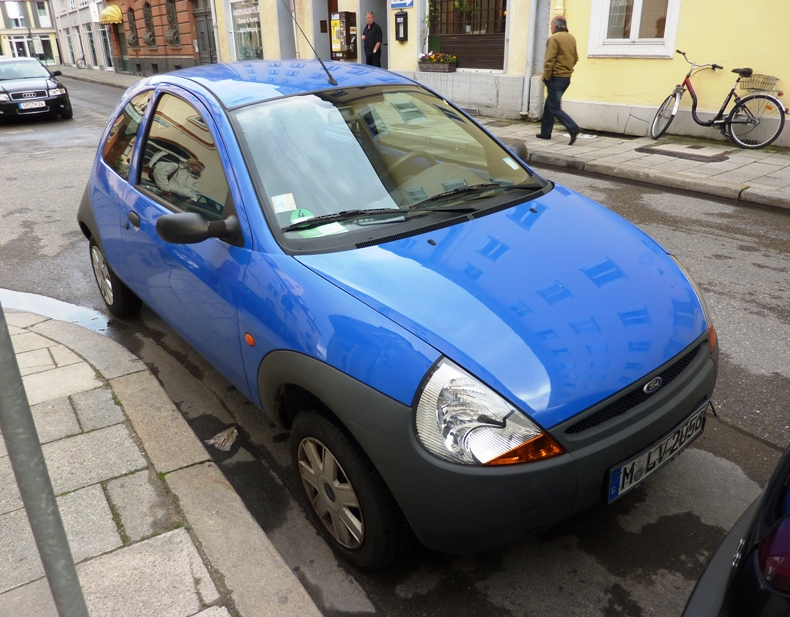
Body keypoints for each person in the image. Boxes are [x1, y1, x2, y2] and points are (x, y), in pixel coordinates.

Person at [537, 15, 580, 144]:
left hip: (555, 77)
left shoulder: (554, 38)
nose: (551, 28)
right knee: (549, 105)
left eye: (551, 26)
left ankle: (573, 127)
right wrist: (567, 69)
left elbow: (549, 60)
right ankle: (545, 133)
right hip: (566, 78)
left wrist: (547, 76)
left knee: (555, 107)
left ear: (555, 25)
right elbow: (576, 58)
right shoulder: (571, 38)